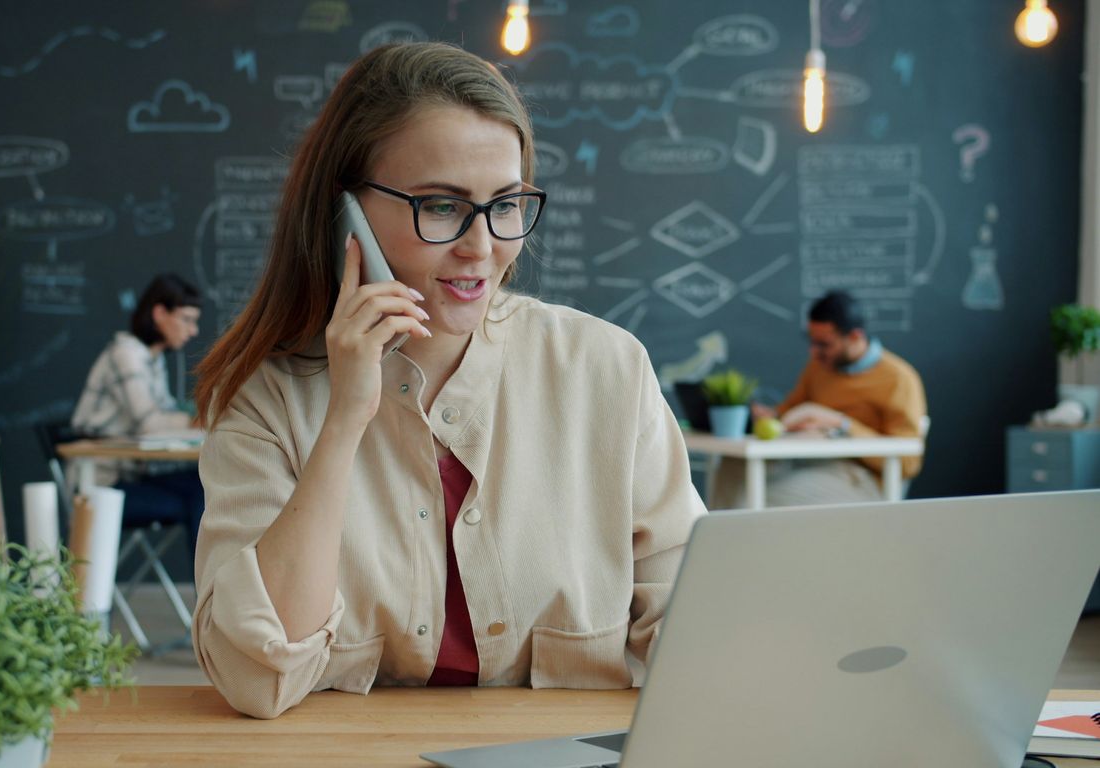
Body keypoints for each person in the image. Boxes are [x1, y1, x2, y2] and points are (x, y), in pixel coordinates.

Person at [190, 42, 706, 719]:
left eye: (507, 204)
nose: (483, 246)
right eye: (440, 206)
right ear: (347, 211)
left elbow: (693, 626)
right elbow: (256, 676)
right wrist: (346, 417)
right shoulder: (267, 398)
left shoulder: (605, 368)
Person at [711, 290, 928, 509]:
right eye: (811, 342)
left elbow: (908, 463)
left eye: (824, 344)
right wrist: (771, 415)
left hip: (860, 478)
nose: (814, 352)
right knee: (732, 466)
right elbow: (788, 410)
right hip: (806, 463)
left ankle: (739, 539)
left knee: (761, 492)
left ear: (854, 337)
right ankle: (719, 541)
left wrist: (841, 424)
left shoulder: (899, 379)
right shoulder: (819, 367)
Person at [71, 273, 205, 551]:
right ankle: (210, 591)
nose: (194, 331)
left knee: (205, 486)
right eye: (187, 319)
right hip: (100, 485)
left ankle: (211, 589)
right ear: (159, 313)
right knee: (201, 496)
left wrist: (194, 421)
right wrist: (198, 421)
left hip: (130, 476)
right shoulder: (127, 354)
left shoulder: (152, 359)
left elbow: (164, 415)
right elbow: (150, 424)